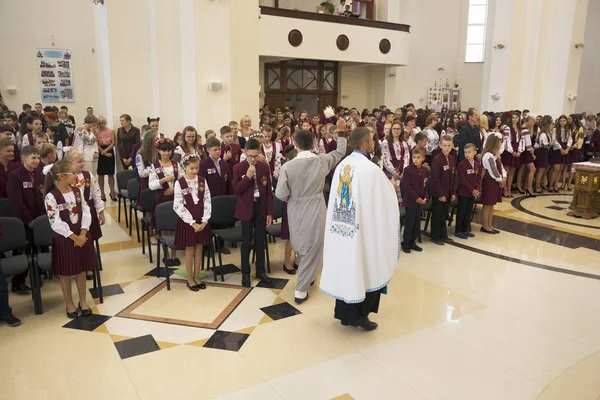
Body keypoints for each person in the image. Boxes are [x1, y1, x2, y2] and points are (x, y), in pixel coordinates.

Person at [320, 127, 399, 331]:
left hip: (342, 228)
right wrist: (392, 187)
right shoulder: (370, 169)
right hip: (361, 231)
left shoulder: (342, 165)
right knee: (364, 267)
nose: (374, 142)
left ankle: (345, 314)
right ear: (365, 144)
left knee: (348, 268)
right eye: (372, 139)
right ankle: (360, 316)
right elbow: (384, 197)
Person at [275, 122, 347, 304]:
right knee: (313, 245)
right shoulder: (322, 160)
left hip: (296, 208)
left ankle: (303, 285)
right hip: (316, 206)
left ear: (295, 144)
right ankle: (302, 286)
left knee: (303, 247)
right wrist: (341, 131)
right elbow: (340, 152)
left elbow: (281, 194)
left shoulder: (287, 167)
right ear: (313, 143)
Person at [43, 160, 96, 318]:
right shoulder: (51, 196)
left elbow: (86, 210)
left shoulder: (77, 191)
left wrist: (83, 232)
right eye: (72, 173)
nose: (75, 175)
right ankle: (69, 304)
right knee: (66, 273)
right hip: (65, 238)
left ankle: (83, 301)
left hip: (81, 235)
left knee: (81, 270)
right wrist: (73, 237)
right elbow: (55, 221)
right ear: (61, 176)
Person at [233, 138, 273, 288]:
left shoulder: (264, 167)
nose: (253, 159)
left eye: (256, 156)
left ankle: (260, 271)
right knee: (246, 241)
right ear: (245, 153)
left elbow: (268, 191)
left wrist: (269, 212)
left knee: (260, 240)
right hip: (246, 208)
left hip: (261, 207)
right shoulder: (238, 168)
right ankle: (245, 273)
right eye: (250, 156)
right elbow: (237, 190)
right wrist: (248, 177)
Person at [7, 145, 45, 293]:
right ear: (24, 158)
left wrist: (40, 219)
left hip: (39, 218)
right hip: (24, 220)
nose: (36, 161)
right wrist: (29, 220)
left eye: (38, 158)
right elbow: (17, 202)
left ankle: (37, 275)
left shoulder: (40, 175)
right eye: (33, 158)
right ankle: (18, 281)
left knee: (37, 249)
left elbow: (43, 197)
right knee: (24, 250)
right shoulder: (15, 176)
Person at [173, 154, 212, 291]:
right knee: (190, 249)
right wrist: (192, 223)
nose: (195, 171)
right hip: (188, 221)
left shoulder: (202, 181)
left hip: (202, 220)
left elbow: (207, 200)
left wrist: (205, 220)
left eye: (197, 168)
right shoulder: (180, 183)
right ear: (184, 167)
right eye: (192, 168)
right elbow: (177, 205)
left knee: (199, 248)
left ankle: (197, 277)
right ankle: (190, 278)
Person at [66, 150, 105, 280]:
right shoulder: (66, 178)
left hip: (88, 211)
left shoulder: (88, 176)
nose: (82, 164)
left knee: (89, 239)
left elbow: (96, 194)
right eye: (79, 161)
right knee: (76, 239)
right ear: (70, 163)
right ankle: (76, 266)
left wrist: (100, 212)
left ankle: (89, 267)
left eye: (83, 161)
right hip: (72, 212)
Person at [199, 138, 232, 255]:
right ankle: (207, 247)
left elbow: (228, 181)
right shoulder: (203, 165)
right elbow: (202, 184)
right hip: (210, 198)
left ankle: (220, 245)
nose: (218, 152)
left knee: (222, 222)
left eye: (219, 149)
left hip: (222, 198)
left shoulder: (224, 163)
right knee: (209, 223)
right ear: (208, 150)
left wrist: (229, 196)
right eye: (215, 150)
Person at [401, 147, 429, 253]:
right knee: (410, 223)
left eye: (418, 157)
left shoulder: (425, 170)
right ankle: (406, 243)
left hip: (420, 201)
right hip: (411, 201)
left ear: (423, 158)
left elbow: (426, 185)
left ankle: (413, 241)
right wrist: (417, 198)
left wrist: (425, 197)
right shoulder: (408, 170)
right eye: (414, 157)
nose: (416, 160)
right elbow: (407, 186)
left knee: (417, 223)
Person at [430, 135, 456, 245]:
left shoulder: (452, 159)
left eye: (449, 146)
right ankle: (435, 235)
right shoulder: (437, 160)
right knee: (437, 214)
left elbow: (454, 176)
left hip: (448, 192)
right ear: (440, 145)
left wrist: (453, 192)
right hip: (439, 193)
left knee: (444, 214)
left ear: (452, 146)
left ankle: (443, 234)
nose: (446, 148)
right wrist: (440, 194)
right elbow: (435, 179)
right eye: (444, 145)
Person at [455, 143, 481, 239]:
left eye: (469, 152)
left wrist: (477, 189)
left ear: (474, 152)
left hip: (473, 193)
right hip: (464, 192)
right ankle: (458, 230)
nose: (467, 154)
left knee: (468, 211)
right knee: (461, 211)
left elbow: (479, 179)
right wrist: (472, 190)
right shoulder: (462, 165)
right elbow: (463, 180)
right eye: (465, 152)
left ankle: (466, 228)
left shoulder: (478, 165)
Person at [480, 134, 505, 234]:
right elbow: (493, 170)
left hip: (495, 182)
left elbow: (501, 167)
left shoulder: (495, 154)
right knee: (487, 203)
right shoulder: (488, 155)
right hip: (489, 182)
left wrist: (503, 177)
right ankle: (485, 225)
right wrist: (500, 179)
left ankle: (490, 224)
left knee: (492, 204)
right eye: (499, 141)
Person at [94, 116, 116, 201]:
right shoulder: (95, 132)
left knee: (110, 174)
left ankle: (112, 192)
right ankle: (102, 193)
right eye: (99, 123)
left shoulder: (110, 131)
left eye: (102, 123)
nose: (100, 125)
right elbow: (96, 143)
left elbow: (113, 142)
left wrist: (106, 151)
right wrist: (102, 152)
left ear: (105, 123)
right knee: (101, 174)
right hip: (100, 150)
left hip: (109, 150)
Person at [515, 116, 536, 196]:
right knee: (532, 169)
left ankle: (518, 185)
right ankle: (529, 187)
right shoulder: (526, 130)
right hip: (526, 151)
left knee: (522, 168)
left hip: (522, 151)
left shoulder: (521, 128)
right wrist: (533, 154)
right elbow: (528, 145)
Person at [534, 115, 552, 193]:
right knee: (540, 170)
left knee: (543, 169)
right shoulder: (543, 134)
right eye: (551, 125)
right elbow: (542, 145)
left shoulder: (547, 133)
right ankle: (537, 186)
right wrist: (550, 144)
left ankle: (539, 184)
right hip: (541, 153)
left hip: (544, 153)